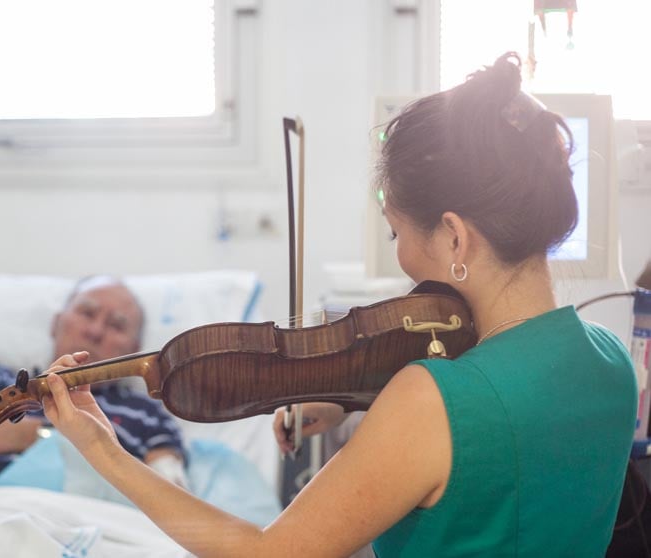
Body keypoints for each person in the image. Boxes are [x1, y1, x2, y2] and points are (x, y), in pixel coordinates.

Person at [39, 52, 637, 557]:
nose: (399, 254)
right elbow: (504, 422)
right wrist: (354, 396)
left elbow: (267, 553)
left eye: (394, 232)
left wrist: (104, 450)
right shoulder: (611, 364)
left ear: (455, 238)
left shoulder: (428, 401)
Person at [0, 275, 187, 493]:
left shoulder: (148, 413)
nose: (94, 331)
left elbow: (171, 490)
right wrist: (64, 439)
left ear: (134, 349)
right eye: (86, 313)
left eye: (116, 326)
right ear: (55, 323)